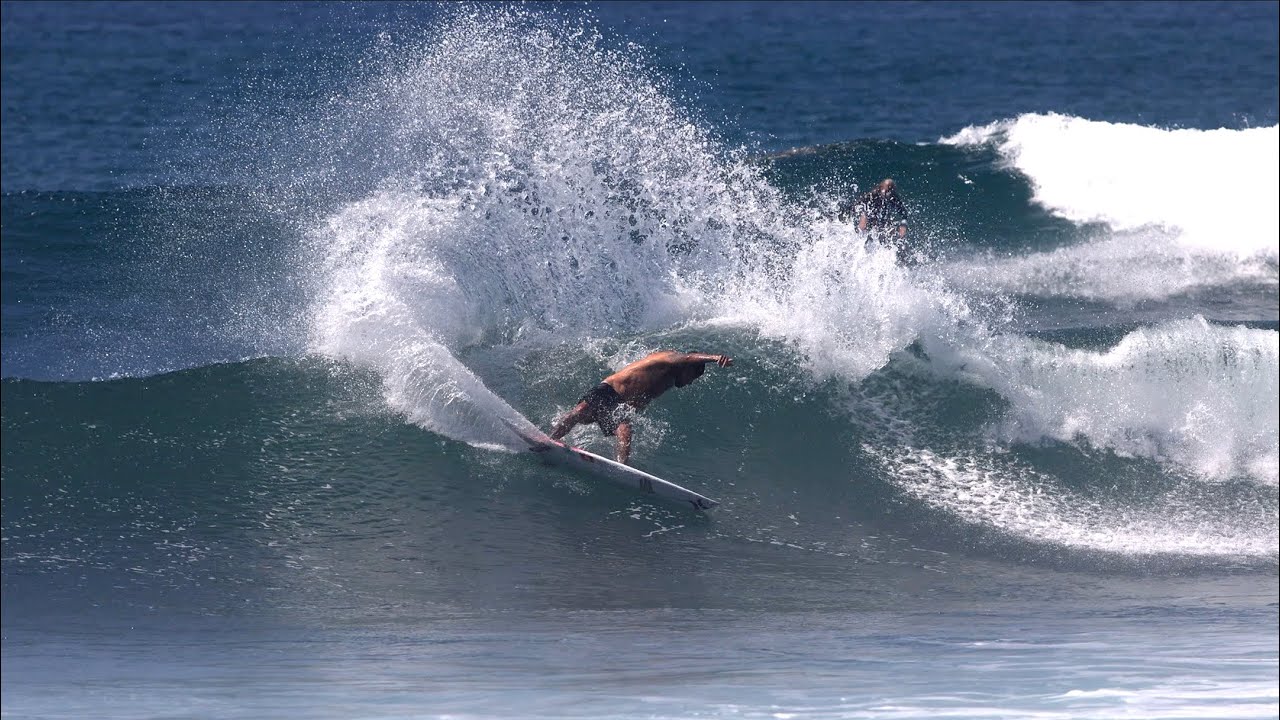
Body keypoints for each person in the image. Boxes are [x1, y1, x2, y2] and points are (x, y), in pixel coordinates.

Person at [550, 351, 734, 464]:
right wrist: (715, 358)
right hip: (610, 389)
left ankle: (621, 468)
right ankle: (549, 441)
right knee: (579, 413)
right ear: (686, 369)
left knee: (625, 431)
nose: (688, 384)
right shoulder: (670, 358)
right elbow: (687, 358)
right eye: (691, 379)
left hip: (618, 405)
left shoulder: (667, 380)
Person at [839, 177, 908, 246]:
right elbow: (858, 204)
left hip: (882, 220)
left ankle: (889, 247)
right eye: (886, 189)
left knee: (889, 229)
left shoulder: (893, 197)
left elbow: (903, 213)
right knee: (864, 219)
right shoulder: (873, 194)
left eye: (889, 190)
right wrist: (849, 212)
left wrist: (903, 224)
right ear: (881, 187)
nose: (886, 192)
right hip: (870, 216)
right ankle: (857, 241)